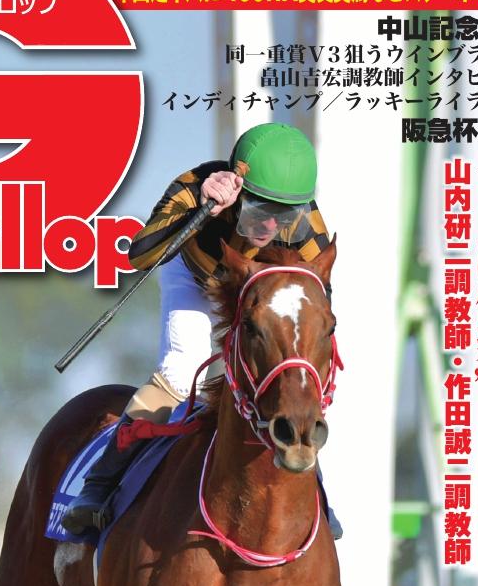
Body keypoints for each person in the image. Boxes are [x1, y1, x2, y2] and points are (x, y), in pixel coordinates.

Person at [63, 122, 341, 537]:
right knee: (180, 369)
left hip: (258, 294)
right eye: (260, 210)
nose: (271, 225)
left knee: (294, 374)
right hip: (198, 278)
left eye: (284, 215)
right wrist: (198, 205)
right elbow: (139, 256)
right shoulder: (194, 184)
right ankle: (99, 486)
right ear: (237, 188)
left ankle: (317, 491)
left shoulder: (307, 223)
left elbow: (316, 301)